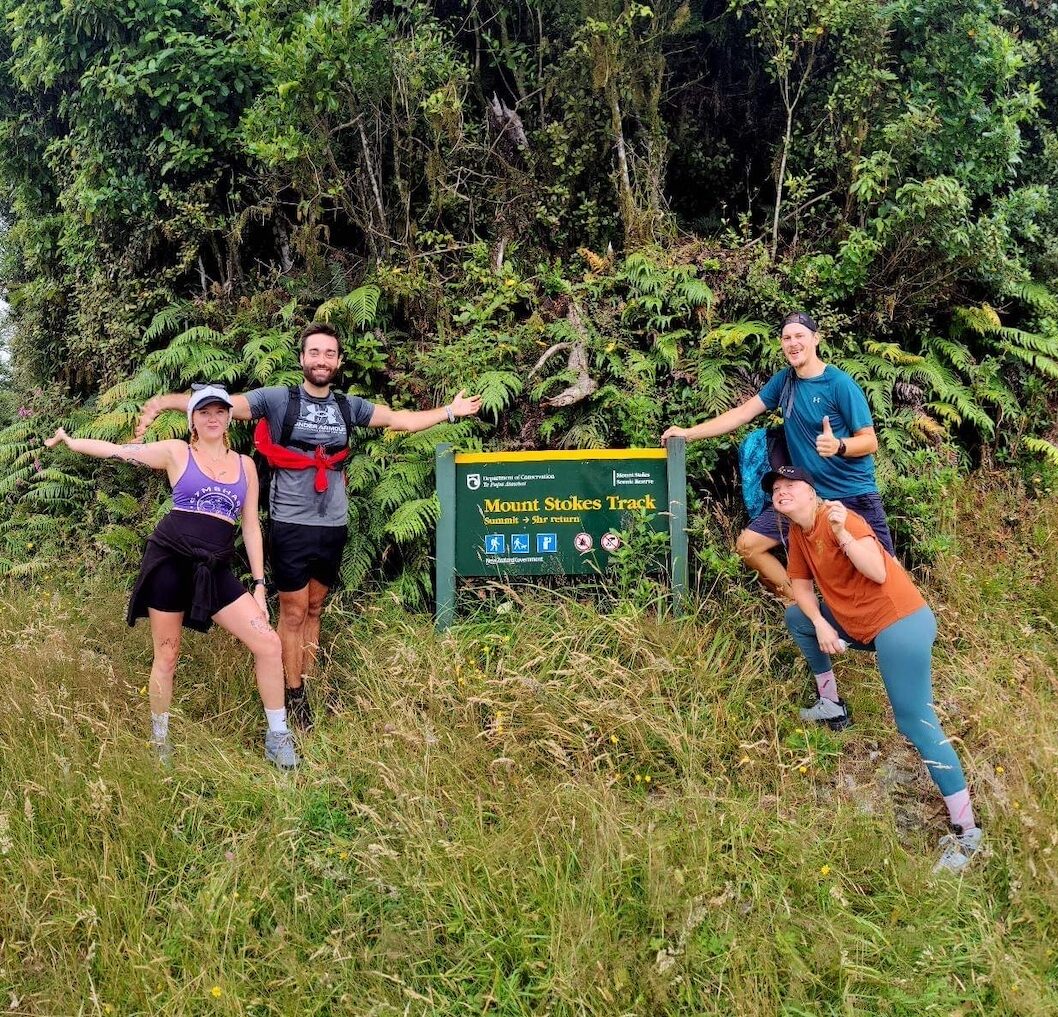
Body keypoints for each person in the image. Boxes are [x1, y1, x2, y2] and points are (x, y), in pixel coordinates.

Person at [137, 321, 482, 731]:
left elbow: (399, 420)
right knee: (294, 610)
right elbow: (220, 403)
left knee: (316, 607)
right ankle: (292, 695)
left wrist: (448, 411)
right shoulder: (279, 399)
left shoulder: (347, 407)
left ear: (338, 362)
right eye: (314, 352)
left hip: (333, 522)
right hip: (290, 521)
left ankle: (305, 685)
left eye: (329, 354)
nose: (322, 360)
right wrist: (164, 402)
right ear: (302, 359)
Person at [46, 384, 298, 769]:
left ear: (229, 416)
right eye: (203, 412)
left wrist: (261, 586)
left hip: (212, 568)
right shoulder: (177, 452)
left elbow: (250, 527)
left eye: (219, 411)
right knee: (167, 654)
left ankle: (278, 737)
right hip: (169, 560)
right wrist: (71, 441)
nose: (212, 418)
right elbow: (120, 451)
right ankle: (160, 741)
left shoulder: (246, 465)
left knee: (267, 643)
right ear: (192, 419)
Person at [765, 464, 982, 873]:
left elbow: (879, 570)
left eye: (790, 485)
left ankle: (968, 833)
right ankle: (831, 703)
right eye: (776, 488)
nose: (781, 491)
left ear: (812, 493)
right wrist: (820, 622)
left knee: (915, 721)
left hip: (900, 622)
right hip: (859, 623)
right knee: (798, 617)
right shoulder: (798, 532)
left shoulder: (839, 517)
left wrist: (845, 535)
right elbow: (801, 587)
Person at [661, 311, 893, 603]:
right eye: (787, 338)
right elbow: (742, 414)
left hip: (853, 494)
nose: (793, 343)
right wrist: (688, 433)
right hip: (807, 497)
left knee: (886, 574)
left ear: (815, 339)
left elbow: (870, 441)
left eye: (800, 336)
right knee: (748, 546)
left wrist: (839, 446)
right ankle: (806, 612)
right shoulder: (784, 382)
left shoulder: (840, 385)